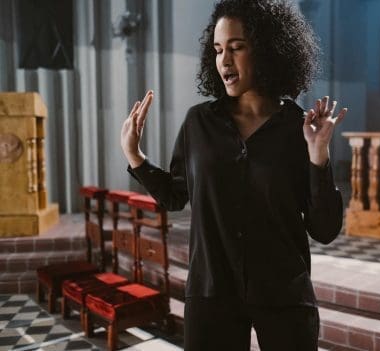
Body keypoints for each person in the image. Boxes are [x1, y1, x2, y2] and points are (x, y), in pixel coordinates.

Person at [120, 0, 347, 350]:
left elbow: (325, 229)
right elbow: (175, 195)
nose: (224, 60)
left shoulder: (299, 128)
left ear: (269, 51)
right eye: (218, 49)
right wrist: (135, 156)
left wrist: (318, 157)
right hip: (213, 293)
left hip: (283, 291)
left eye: (237, 48)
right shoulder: (199, 123)